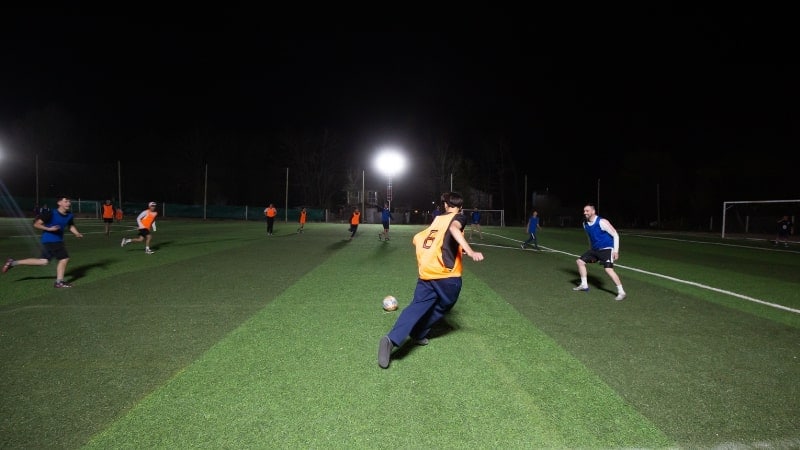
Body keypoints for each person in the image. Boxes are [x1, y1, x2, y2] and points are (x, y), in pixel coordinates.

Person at [378, 192, 485, 369]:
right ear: (460, 206)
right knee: (445, 305)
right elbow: (453, 230)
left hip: (427, 272)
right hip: (447, 275)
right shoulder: (459, 217)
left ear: (445, 205)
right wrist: (470, 250)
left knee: (416, 307)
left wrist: (457, 249)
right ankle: (419, 331)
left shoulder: (438, 219)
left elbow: (422, 239)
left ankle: (391, 340)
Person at [2, 195, 84, 288]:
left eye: (69, 201)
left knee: (43, 261)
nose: (68, 203)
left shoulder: (69, 215)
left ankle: (13, 262)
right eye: (66, 201)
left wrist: (77, 233)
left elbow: (71, 226)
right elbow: (36, 224)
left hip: (54, 241)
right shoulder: (51, 213)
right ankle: (59, 282)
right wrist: (49, 229)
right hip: (51, 240)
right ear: (59, 203)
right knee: (64, 258)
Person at [573, 204, 626, 301]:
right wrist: (590, 250)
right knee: (580, 262)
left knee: (608, 270)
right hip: (594, 250)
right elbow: (590, 237)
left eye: (587, 211)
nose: (585, 213)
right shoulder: (585, 224)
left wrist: (616, 251)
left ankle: (621, 292)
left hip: (606, 249)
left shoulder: (602, 222)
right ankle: (584, 285)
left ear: (593, 211)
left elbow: (615, 235)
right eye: (584, 211)